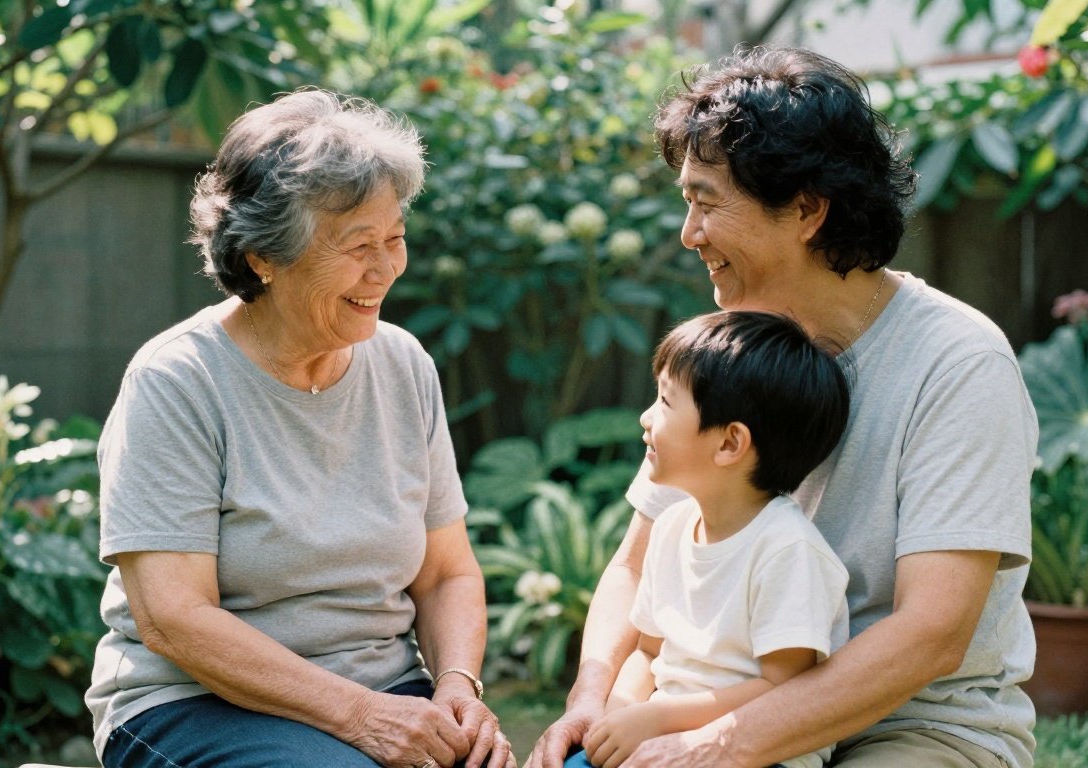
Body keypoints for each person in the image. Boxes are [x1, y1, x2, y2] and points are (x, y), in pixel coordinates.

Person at [527, 45, 1038, 768]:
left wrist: (710, 749)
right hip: (720, 703)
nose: (688, 234)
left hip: (913, 726)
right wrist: (595, 700)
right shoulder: (727, 351)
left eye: (706, 201)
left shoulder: (959, 363)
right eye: (687, 202)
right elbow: (636, 566)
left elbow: (932, 633)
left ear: (805, 209)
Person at [85, 90, 513, 768]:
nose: (385, 269)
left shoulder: (402, 364)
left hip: (386, 689)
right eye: (357, 246)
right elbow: (173, 618)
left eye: (394, 238)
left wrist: (457, 685)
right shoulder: (176, 382)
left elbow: (445, 573)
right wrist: (361, 716)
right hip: (196, 706)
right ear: (262, 256)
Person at [566, 311, 851, 768]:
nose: (645, 417)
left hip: (756, 751)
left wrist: (658, 718)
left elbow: (785, 689)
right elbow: (648, 650)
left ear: (729, 444)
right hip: (661, 739)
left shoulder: (786, 549)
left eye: (664, 401)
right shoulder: (671, 528)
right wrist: (618, 720)